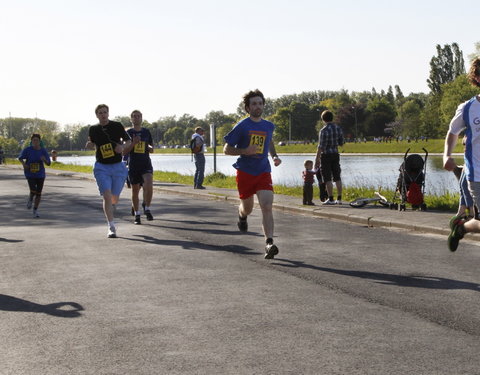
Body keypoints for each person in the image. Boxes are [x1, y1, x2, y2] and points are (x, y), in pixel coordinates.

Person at [223, 89, 282, 259]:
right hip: (245, 172)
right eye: (254, 104)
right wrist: (245, 151)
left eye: (260, 103)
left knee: (267, 205)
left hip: (263, 171)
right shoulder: (242, 126)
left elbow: (269, 141)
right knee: (247, 208)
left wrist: (275, 156)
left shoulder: (268, 125)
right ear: (248, 108)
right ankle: (241, 215)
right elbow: (227, 149)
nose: (257, 106)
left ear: (263, 105)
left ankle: (269, 243)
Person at [444, 57, 480, 252]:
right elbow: (453, 133)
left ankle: (462, 227)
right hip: (477, 174)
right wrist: (446, 155)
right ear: (477, 77)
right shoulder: (467, 108)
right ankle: (461, 227)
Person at [85, 104, 131, 238]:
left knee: (114, 197)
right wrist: (90, 145)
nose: (103, 115)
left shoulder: (117, 125)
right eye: (100, 113)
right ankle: (111, 227)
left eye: (105, 112)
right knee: (106, 195)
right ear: (97, 115)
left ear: (108, 113)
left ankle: (112, 205)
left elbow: (128, 141)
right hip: (102, 167)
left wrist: (122, 147)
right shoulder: (93, 129)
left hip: (117, 166)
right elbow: (91, 144)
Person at [124, 110, 154, 225]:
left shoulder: (146, 132)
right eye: (134, 116)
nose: (136, 118)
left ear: (141, 118)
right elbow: (124, 151)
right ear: (131, 119)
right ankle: (137, 214)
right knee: (135, 190)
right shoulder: (128, 133)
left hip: (145, 162)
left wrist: (150, 148)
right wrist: (133, 143)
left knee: (148, 184)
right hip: (133, 164)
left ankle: (147, 208)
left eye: (138, 116)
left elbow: (151, 145)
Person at [314, 110, 344, 205]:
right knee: (337, 177)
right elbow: (341, 142)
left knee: (327, 178)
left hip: (326, 155)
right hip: (335, 154)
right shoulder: (338, 128)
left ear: (323, 119)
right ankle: (339, 198)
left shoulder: (323, 131)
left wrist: (317, 159)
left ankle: (330, 199)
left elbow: (321, 146)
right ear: (332, 118)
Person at [18, 133, 51, 218]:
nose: (35, 142)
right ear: (31, 141)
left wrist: (44, 160)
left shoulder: (43, 151)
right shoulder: (28, 150)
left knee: (39, 193)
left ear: (40, 141)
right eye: (34, 140)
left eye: (37, 140)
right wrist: (24, 164)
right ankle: (30, 198)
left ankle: (35, 210)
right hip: (30, 173)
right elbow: (20, 158)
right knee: (33, 190)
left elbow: (49, 163)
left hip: (40, 174)